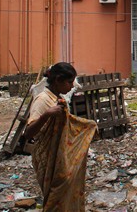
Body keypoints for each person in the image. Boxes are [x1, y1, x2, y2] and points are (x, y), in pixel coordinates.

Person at [25, 62, 97, 212]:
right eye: (69, 82)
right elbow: (28, 133)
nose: (71, 86)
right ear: (58, 80)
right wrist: (46, 115)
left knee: (66, 189)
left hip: (60, 153)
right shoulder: (43, 100)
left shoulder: (58, 98)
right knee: (55, 194)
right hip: (47, 155)